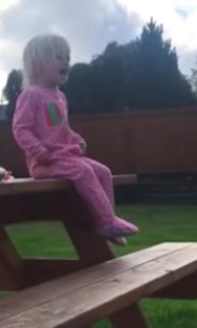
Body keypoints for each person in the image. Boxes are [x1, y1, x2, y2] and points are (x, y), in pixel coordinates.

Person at [12, 34, 138, 245]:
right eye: (59, 57)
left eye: (68, 58)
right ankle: (106, 221)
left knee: (103, 172)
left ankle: (107, 222)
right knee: (84, 171)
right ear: (39, 63)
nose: (66, 62)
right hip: (45, 162)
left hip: (65, 157)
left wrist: (74, 138)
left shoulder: (60, 97)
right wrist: (39, 151)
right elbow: (20, 129)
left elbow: (61, 128)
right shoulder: (31, 95)